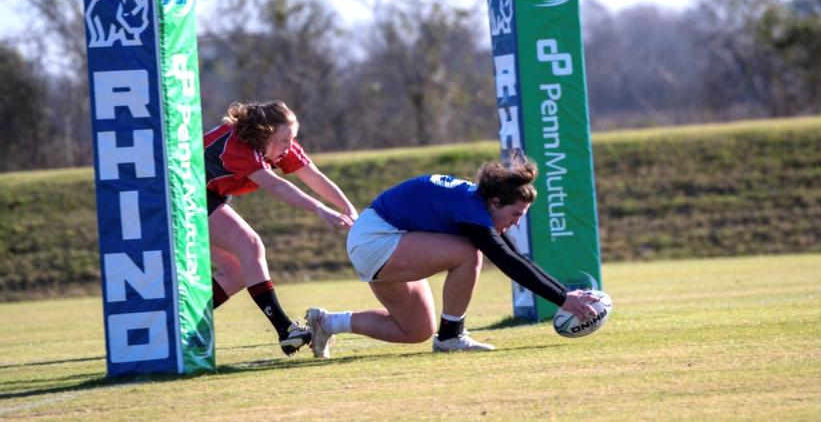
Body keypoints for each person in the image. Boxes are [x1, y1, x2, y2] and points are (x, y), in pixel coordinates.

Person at [304, 155, 600, 357]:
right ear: (496, 202)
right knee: (468, 253)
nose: (517, 222)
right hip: (377, 239)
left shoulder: (477, 203)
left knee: (416, 329)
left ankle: (327, 324)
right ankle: (451, 337)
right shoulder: (471, 208)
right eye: (515, 214)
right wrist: (564, 300)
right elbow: (507, 261)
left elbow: (515, 257)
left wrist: (566, 294)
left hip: (379, 239)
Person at [204, 100, 357, 357]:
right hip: (184, 195)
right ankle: (286, 330)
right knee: (250, 246)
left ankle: (176, 324)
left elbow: (313, 175)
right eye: (284, 140)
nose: (288, 148)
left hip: (207, 196)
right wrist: (320, 209)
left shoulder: (273, 145)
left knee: (238, 271)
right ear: (264, 133)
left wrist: (349, 209)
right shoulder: (238, 146)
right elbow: (275, 186)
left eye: (292, 139)